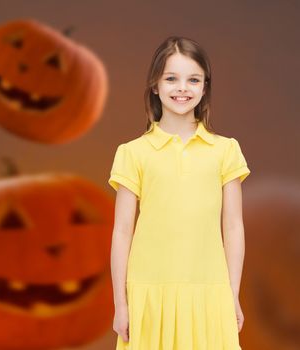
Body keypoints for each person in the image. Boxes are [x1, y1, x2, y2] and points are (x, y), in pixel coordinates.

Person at [108, 35, 251, 350]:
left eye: (193, 79)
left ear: (204, 87)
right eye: (171, 78)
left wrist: (231, 294)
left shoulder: (226, 150)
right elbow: (121, 232)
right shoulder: (133, 153)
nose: (182, 88)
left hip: (209, 293)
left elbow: (233, 227)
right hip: (148, 294)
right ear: (156, 86)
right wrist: (121, 303)